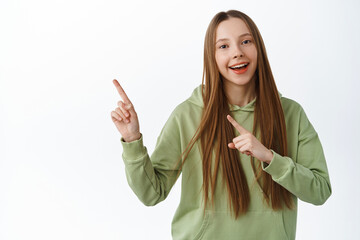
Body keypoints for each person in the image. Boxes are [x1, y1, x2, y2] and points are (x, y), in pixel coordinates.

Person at [110, 10, 331, 240]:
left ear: (259, 49)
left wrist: (269, 157)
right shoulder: (188, 115)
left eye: (246, 41)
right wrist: (133, 140)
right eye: (224, 46)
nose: (237, 53)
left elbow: (320, 191)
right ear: (211, 56)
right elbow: (151, 194)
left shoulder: (290, 114)